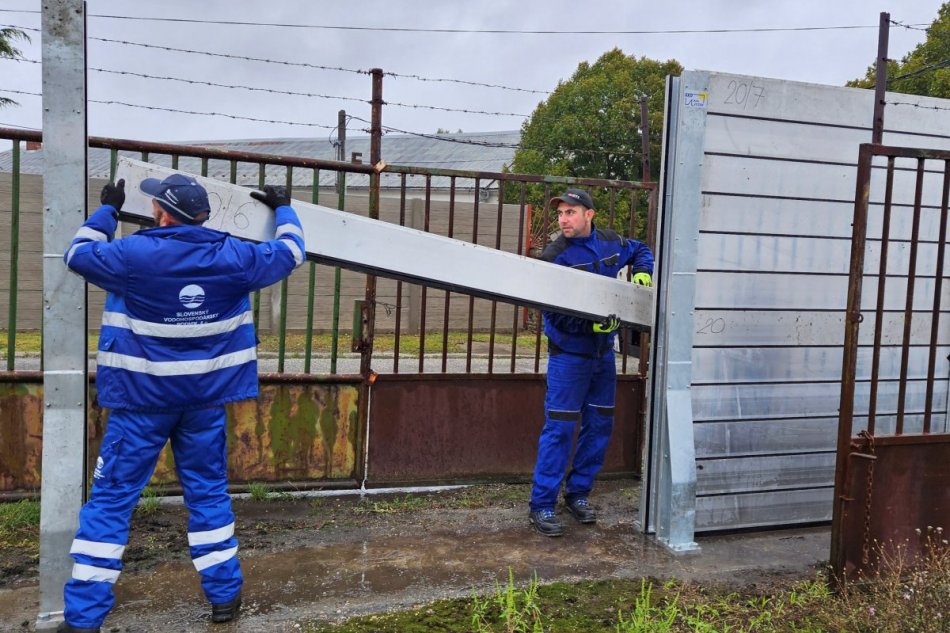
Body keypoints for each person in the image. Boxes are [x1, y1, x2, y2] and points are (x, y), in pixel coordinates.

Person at [58, 174, 305, 632]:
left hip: (139, 405)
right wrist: (283, 207)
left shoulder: (132, 255)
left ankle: (83, 618)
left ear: (161, 212)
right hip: (203, 404)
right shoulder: (236, 256)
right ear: (203, 214)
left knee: (111, 503)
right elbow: (291, 251)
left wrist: (107, 210)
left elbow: (76, 254)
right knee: (208, 495)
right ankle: (225, 599)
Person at [528, 188, 654, 537]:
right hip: (569, 356)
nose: (563, 219)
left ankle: (578, 495)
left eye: (571, 212)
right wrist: (588, 323)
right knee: (560, 429)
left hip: (602, 358)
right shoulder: (556, 255)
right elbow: (549, 309)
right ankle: (541, 504)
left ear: (589, 215)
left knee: (598, 426)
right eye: (561, 213)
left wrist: (642, 272)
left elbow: (641, 249)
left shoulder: (611, 243)